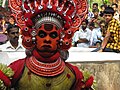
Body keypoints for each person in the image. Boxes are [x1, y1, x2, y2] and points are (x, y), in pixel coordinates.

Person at [0, 0, 94, 90]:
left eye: (53, 35)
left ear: (60, 39)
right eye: (42, 35)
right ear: (34, 37)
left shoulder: (73, 74)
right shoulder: (18, 68)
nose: (47, 40)